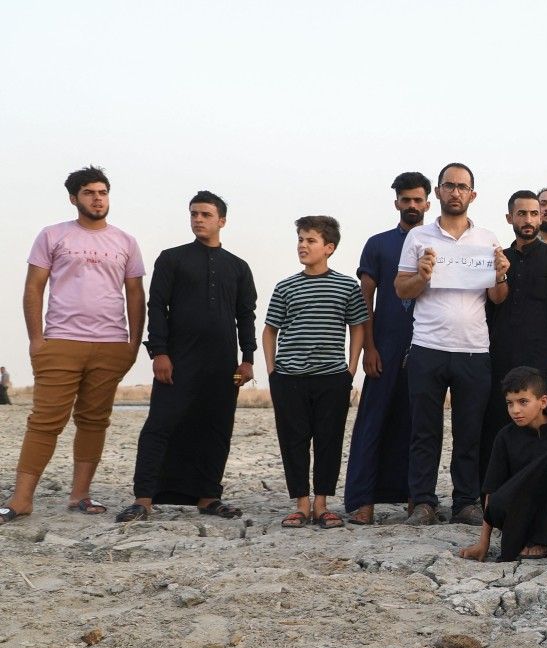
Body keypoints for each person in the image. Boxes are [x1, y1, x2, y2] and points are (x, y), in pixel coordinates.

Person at [2, 166, 144, 526]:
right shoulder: (53, 235)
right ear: (73, 198)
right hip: (61, 341)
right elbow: (33, 287)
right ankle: (21, 500)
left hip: (111, 343)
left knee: (94, 420)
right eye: (89, 193)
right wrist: (37, 340)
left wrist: (131, 344)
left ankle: (80, 495)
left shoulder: (125, 241)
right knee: (45, 421)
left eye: (102, 192)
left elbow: (135, 294)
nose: (98, 198)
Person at [120, 191, 257, 523]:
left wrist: (248, 358)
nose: (198, 219)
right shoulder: (172, 258)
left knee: (215, 428)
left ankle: (209, 497)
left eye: (206, 215)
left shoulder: (238, 267)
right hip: (178, 361)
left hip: (222, 364)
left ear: (221, 221)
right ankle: (144, 498)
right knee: (160, 425)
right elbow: (157, 306)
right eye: (194, 213)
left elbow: (246, 314)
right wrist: (159, 352)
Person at [394, 162, 510, 526]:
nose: (456, 192)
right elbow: (401, 289)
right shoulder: (418, 237)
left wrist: (502, 274)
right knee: (424, 429)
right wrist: (423, 277)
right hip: (428, 345)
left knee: (469, 430)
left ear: (472, 194)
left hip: (474, 348)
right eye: (449, 185)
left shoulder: (488, 239)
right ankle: (424, 502)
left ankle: (465, 502)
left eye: (463, 186)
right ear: (438, 193)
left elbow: (498, 298)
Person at [261, 216, 368, 530]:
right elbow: (270, 331)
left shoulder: (347, 285)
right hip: (289, 378)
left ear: (329, 247)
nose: (303, 246)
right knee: (293, 442)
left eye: (311, 240)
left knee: (328, 441)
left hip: (332, 378)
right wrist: (272, 372)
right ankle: (301, 505)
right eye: (300, 240)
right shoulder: (286, 286)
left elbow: (357, 328)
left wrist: (349, 370)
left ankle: (322, 505)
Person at [343, 171, 429, 525]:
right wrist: (369, 348)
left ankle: (416, 499)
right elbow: (365, 297)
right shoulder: (378, 244)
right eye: (405, 199)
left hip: (427, 345)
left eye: (417, 199)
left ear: (428, 202)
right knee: (372, 420)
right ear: (396, 202)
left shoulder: (439, 243)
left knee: (418, 423)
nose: (411, 205)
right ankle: (363, 501)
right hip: (386, 343)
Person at [483, 190, 547, 486]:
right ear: (510, 217)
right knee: (498, 420)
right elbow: (486, 309)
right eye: (521, 213)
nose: (528, 219)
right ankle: (493, 490)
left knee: (542, 423)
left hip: (543, 357)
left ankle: (542, 488)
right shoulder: (498, 259)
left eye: (534, 213)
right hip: (500, 355)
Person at [458, 367, 547, 562]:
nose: (515, 410)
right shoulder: (505, 436)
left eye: (523, 402)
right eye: (510, 403)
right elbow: (492, 489)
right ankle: (524, 539)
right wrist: (483, 542)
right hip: (512, 510)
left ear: (543, 402)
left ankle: (540, 539)